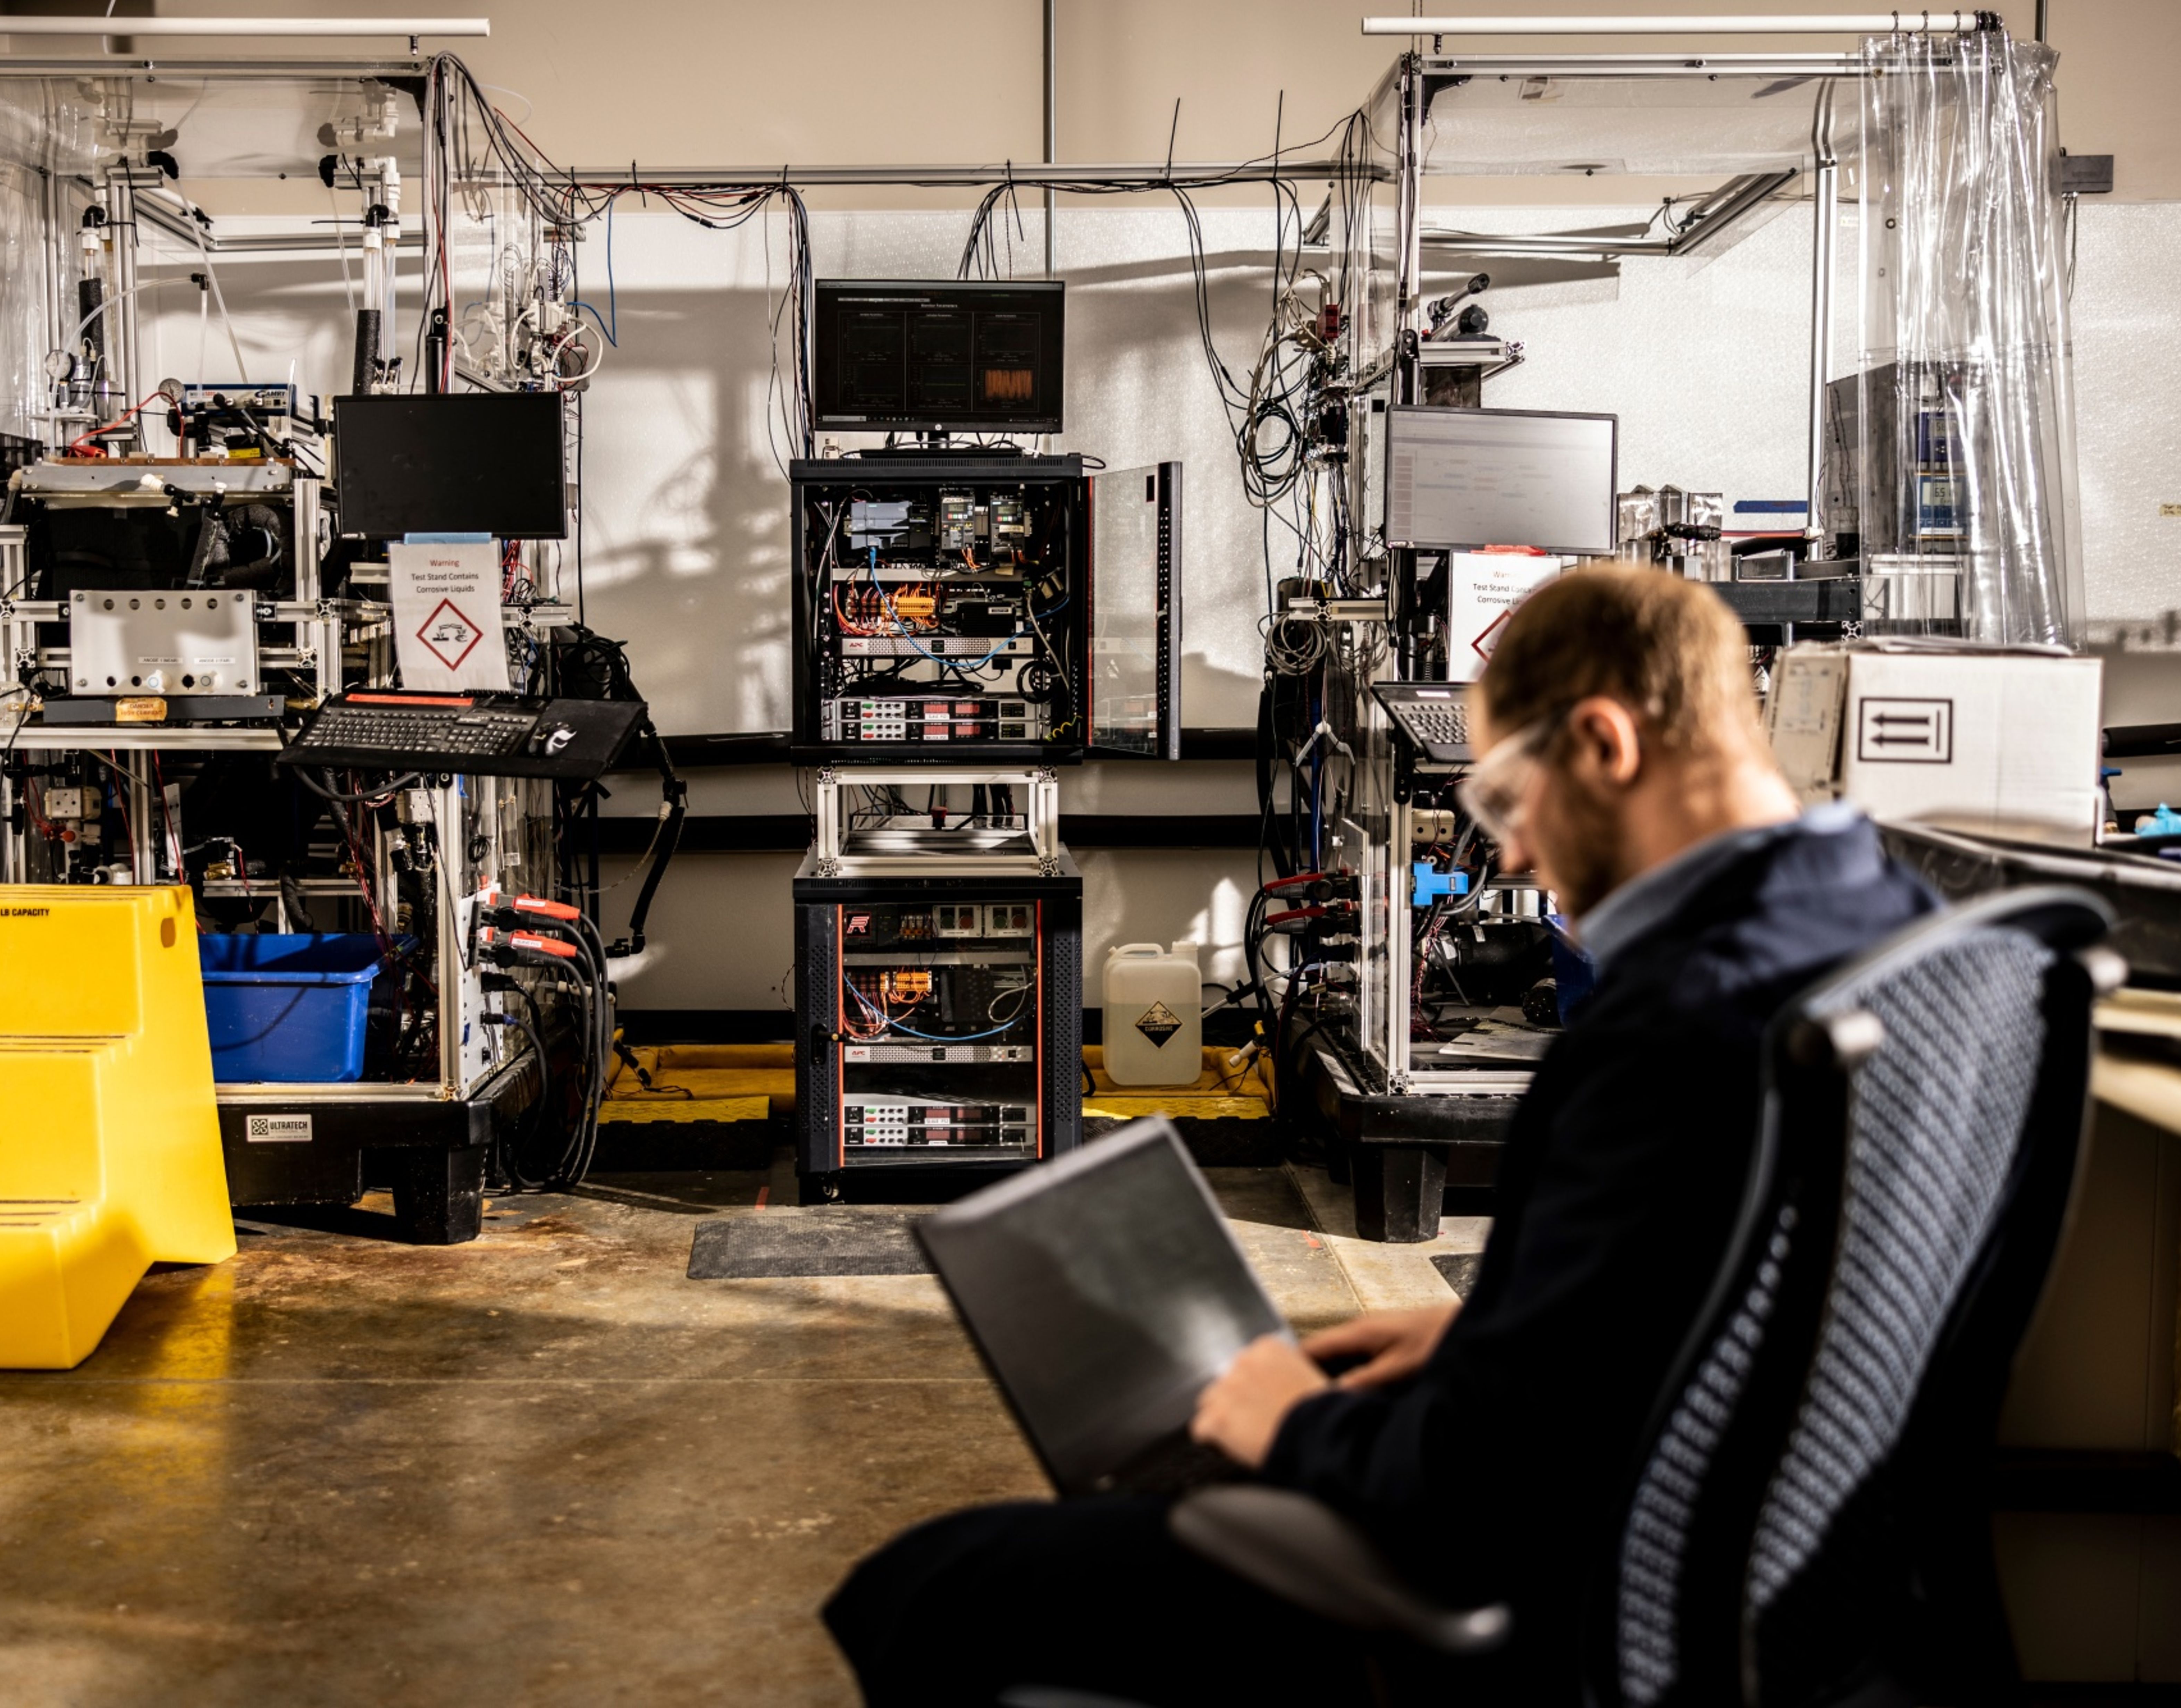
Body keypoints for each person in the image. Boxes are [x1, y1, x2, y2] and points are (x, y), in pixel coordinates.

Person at [823, 566, 1938, 1706]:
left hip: (1568, 1604)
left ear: (1604, 745)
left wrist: (1294, 1423)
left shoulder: (1670, 1029)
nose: (1512, 854)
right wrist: (1493, 1335)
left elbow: (1468, 1492)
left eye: (1508, 800)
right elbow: (1731, 1286)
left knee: (924, 1589)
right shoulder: (1906, 935)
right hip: (1776, 1579)